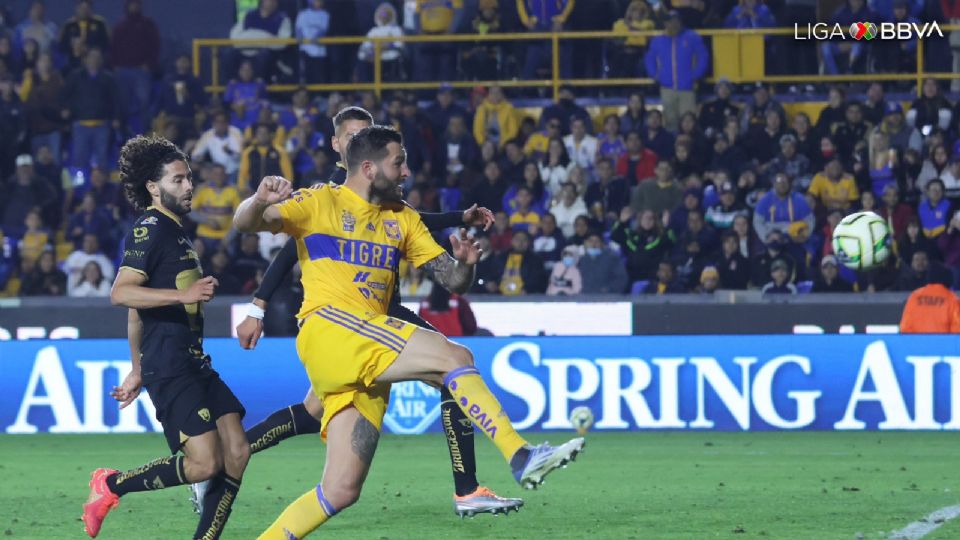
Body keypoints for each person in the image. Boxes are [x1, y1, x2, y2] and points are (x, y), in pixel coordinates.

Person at [234, 126, 583, 538]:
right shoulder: (319, 201)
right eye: (398, 162)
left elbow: (452, 280)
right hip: (332, 329)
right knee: (456, 359)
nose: (405, 172)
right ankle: (520, 454)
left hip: (364, 349)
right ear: (368, 167)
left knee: (341, 490)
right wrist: (258, 200)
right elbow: (246, 224)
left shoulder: (402, 219)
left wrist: (466, 263)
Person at [207, 108, 519, 518]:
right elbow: (284, 248)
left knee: (322, 424)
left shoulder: (392, 204)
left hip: (382, 311)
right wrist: (258, 305)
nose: (363, 139)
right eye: (355, 135)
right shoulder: (323, 197)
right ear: (343, 148)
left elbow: (412, 222)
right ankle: (470, 486)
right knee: (452, 366)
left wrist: (457, 221)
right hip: (340, 320)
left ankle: (229, 457)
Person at [81, 136, 250, 539]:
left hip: (192, 361)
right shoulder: (150, 228)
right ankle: (110, 484)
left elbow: (139, 312)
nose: (189, 186)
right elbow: (121, 293)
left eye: (189, 178)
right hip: (172, 365)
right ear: (153, 188)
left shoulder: (175, 232)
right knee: (205, 464)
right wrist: (184, 295)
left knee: (238, 451)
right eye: (178, 180)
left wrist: (135, 371)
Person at [644, 11, 708, 132]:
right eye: (670, 21)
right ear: (665, 23)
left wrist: (696, 75)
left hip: (687, 88)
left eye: (675, 21)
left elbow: (703, 57)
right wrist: (655, 75)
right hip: (667, 88)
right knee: (670, 121)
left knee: (689, 121)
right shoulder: (658, 41)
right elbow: (649, 59)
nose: (673, 24)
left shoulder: (692, 37)